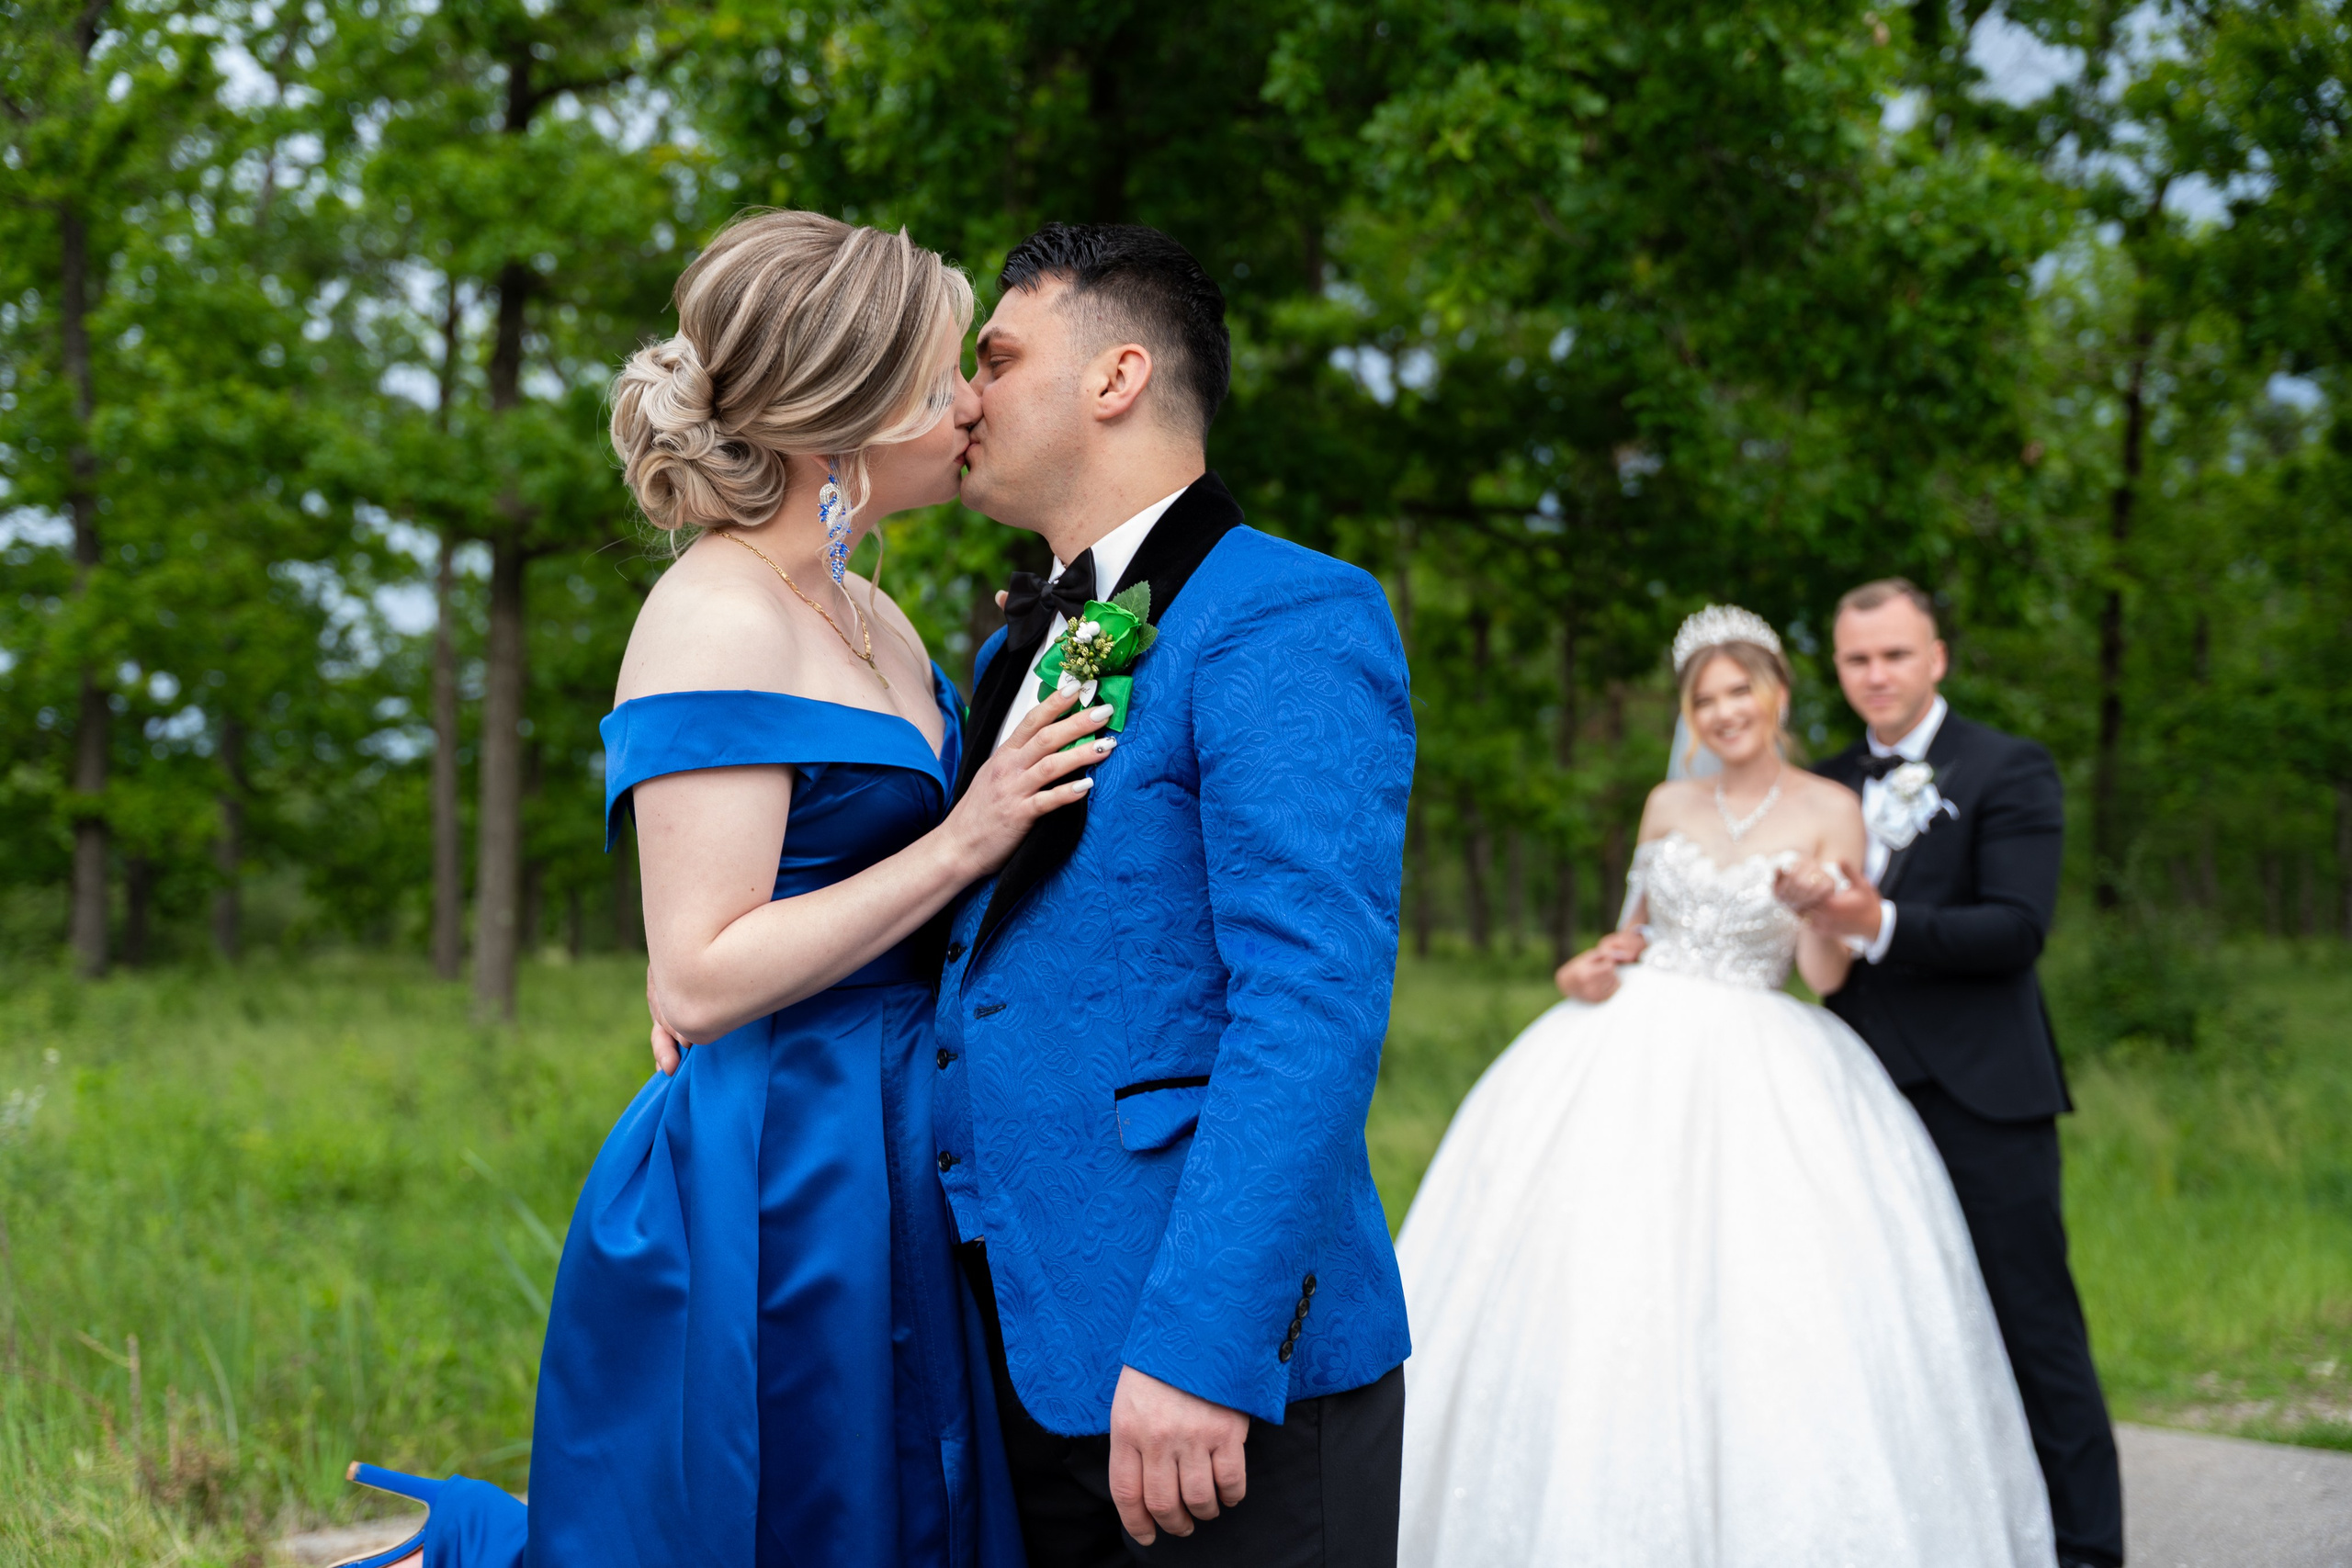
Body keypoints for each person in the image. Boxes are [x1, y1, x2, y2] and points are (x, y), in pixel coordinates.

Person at [333, 211, 1107, 1568]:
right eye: (943, 378)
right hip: (786, 1169)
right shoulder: (713, 614)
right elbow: (695, 970)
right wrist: (969, 831)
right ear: (842, 421)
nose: (975, 401)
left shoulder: (870, 610)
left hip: (898, 1136)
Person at [931, 223, 1417, 1566]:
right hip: (1021, 1337)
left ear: (1117, 375)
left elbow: (1308, 999)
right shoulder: (1005, 656)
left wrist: (1206, 1344)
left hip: (1207, 1372)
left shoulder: (1291, 614)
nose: (966, 394)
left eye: (1000, 356)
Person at [1396, 605, 2056, 1568]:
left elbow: (1827, 976)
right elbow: (1630, 934)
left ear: (1776, 693)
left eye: (1738, 689)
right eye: (1703, 699)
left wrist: (1820, 910)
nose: (1722, 712)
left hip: (1762, 1046)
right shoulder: (1666, 804)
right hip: (1628, 1044)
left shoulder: (1832, 806)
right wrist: (1588, 969)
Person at [1799, 578, 2124, 1568]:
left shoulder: (2007, 768)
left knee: (2034, 1330)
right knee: (1891, 1336)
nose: (1876, 676)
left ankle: (2086, 1553)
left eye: (1894, 654)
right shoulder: (1817, 784)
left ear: (1935, 656)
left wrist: (1877, 923)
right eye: (1857, 659)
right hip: (1856, 1099)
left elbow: (2015, 929)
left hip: (1986, 1097)